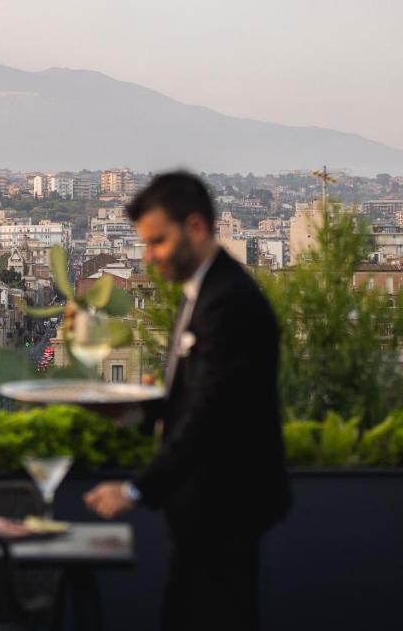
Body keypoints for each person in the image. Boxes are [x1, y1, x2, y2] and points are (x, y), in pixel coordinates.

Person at [84, 171, 290, 630]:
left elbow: (211, 415)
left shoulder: (229, 302)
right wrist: (129, 411)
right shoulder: (202, 294)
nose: (148, 256)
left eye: (157, 241)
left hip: (224, 505)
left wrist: (137, 490)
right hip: (203, 505)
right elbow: (190, 398)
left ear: (195, 227)